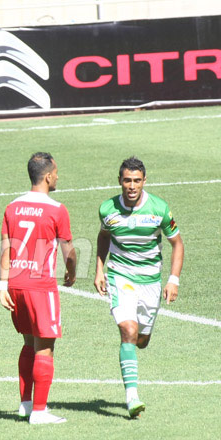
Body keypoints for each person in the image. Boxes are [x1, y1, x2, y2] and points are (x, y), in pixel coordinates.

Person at [94, 156, 183, 419]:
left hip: (150, 282)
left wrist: (173, 279)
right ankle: (132, 396)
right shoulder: (107, 209)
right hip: (120, 276)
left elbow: (177, 244)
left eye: (136, 181)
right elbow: (104, 236)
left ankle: (137, 344)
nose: (131, 186)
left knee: (141, 340)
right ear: (119, 181)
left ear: (144, 181)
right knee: (128, 329)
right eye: (126, 180)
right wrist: (100, 269)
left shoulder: (159, 209)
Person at [0, 152, 76, 425]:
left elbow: (6, 248)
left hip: (16, 284)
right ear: (47, 176)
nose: (58, 176)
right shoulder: (57, 209)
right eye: (56, 172)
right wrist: (72, 271)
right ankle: (40, 412)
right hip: (41, 285)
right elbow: (68, 250)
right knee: (45, 347)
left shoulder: (12, 207)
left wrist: (2, 285)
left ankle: (26, 404)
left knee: (28, 343)